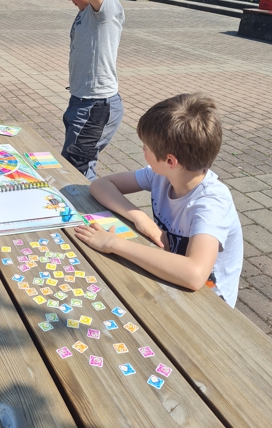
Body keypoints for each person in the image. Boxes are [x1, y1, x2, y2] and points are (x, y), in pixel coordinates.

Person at [74, 93, 243, 307]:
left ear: (170, 161)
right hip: (170, 278)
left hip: (210, 304)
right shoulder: (161, 176)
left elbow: (194, 274)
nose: (142, 150)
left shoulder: (211, 203)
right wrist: (140, 218)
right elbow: (100, 185)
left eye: (146, 147)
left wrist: (112, 243)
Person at [43, 0, 125, 180]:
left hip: (95, 105)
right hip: (82, 101)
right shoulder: (86, 12)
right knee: (76, 168)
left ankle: (90, 209)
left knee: (76, 172)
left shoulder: (105, 9)